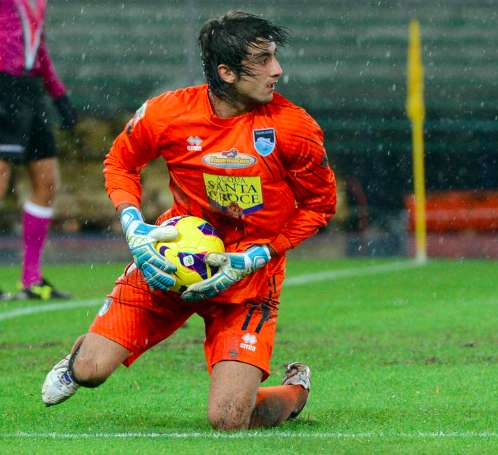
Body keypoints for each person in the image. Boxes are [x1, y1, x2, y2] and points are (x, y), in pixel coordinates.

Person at [41, 11, 336, 431]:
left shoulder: (295, 128)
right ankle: (81, 360)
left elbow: (320, 205)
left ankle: (295, 391)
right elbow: (120, 163)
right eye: (265, 59)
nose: (278, 70)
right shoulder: (167, 113)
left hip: (247, 277)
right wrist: (133, 224)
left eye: (275, 57)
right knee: (89, 372)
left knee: (229, 419)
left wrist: (259, 255)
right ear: (226, 72)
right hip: (170, 259)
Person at [0, 0, 77, 301]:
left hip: (30, 91)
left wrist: (58, 95)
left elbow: (38, 47)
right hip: (3, 86)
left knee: (46, 182)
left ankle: (31, 279)